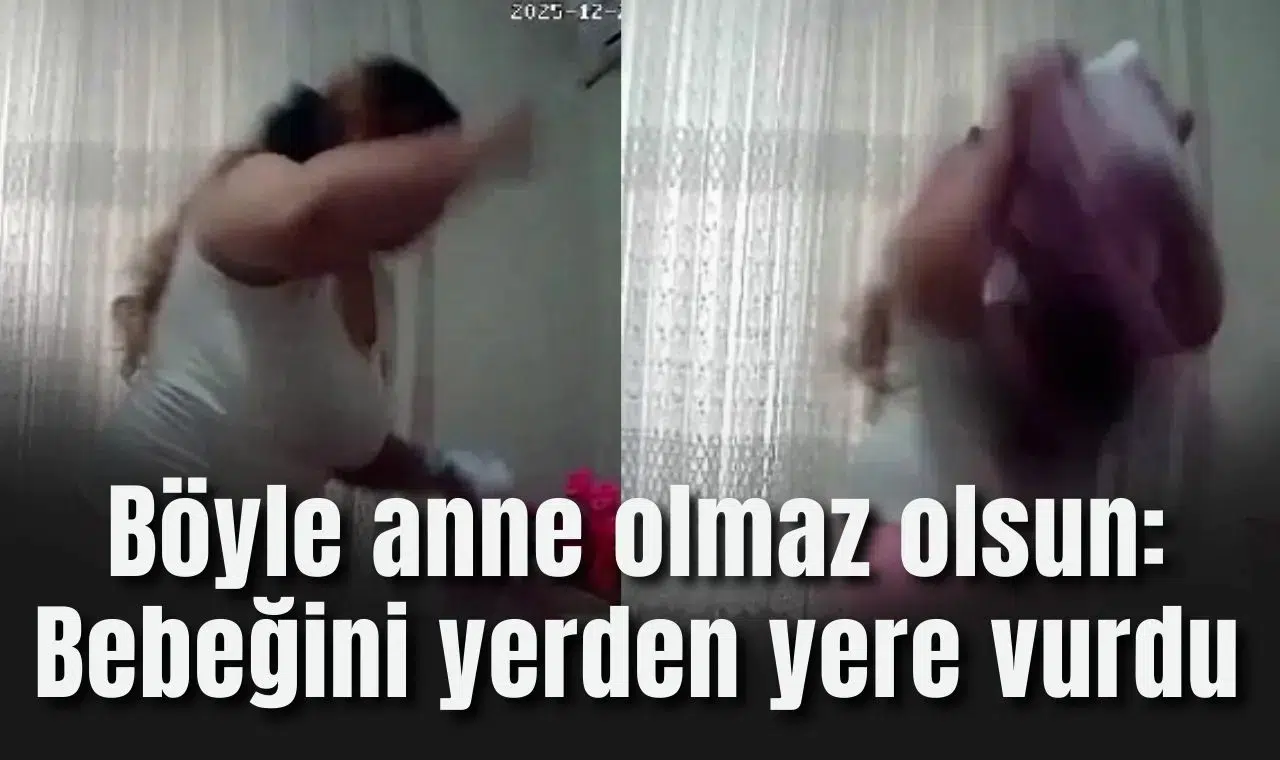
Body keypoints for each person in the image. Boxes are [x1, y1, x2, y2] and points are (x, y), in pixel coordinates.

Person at [95, 56, 529, 506]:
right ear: (367, 150)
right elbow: (305, 211)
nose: (434, 207)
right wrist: (484, 147)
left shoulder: (363, 285)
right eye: (421, 179)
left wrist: (448, 473)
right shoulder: (253, 180)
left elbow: (340, 446)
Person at [844, 48, 1221, 506]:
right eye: (976, 142)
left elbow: (1191, 315)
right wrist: (1153, 173)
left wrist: (1148, 178)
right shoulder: (914, 433)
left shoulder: (1145, 400)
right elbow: (1196, 316)